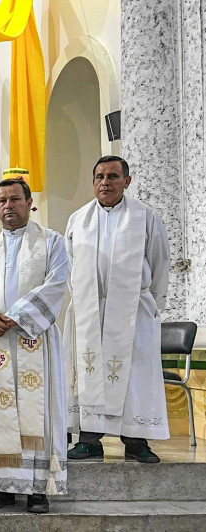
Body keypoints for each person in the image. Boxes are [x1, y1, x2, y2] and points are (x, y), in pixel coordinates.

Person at [0, 178, 68, 514]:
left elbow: (57, 284)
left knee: (37, 412)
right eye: (1, 201)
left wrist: (18, 316)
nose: (8, 206)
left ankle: (39, 489)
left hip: (33, 338)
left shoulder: (51, 241)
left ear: (29, 202)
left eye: (14, 199)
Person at [65, 155, 170, 463]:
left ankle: (136, 442)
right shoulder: (78, 219)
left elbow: (160, 262)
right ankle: (88, 440)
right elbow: (70, 266)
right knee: (89, 372)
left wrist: (153, 307)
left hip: (134, 312)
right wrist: (85, 301)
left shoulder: (145, 217)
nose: (105, 182)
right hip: (89, 310)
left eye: (112, 176)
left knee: (135, 376)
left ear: (127, 181)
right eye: (99, 176)